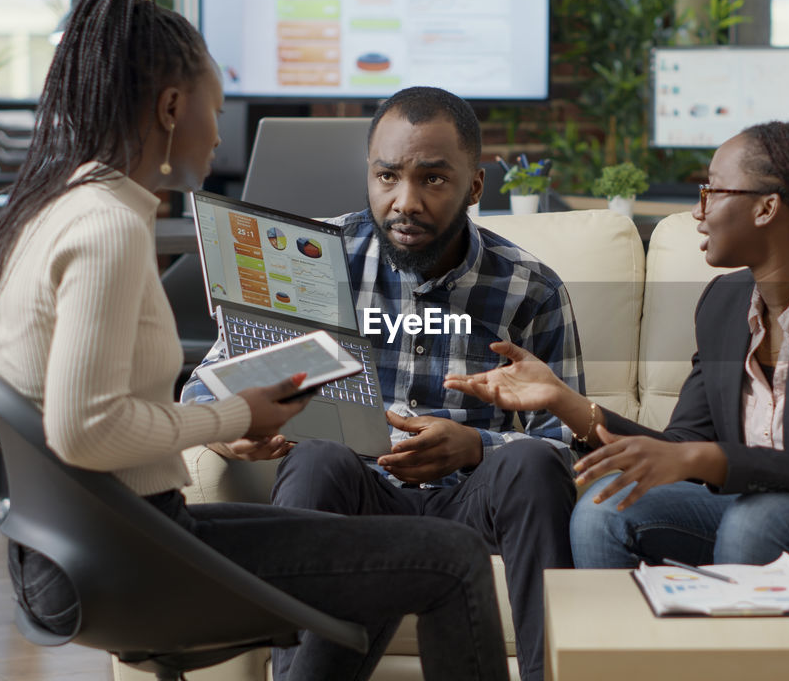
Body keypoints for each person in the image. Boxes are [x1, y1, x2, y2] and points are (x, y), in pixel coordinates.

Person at [0, 0, 509, 681]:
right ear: (173, 106)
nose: (218, 134)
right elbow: (83, 429)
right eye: (216, 108)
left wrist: (229, 418)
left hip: (91, 545)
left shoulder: (56, 204)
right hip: (122, 558)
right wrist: (232, 413)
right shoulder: (107, 225)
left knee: (375, 551)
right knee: (451, 559)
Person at [444, 120, 789, 638]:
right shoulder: (723, 305)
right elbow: (677, 448)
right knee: (605, 507)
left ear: (767, 208)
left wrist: (705, 461)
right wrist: (567, 403)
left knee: (759, 518)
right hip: (766, 517)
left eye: (712, 190)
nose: (699, 210)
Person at [182, 87, 584, 681]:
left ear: (475, 187)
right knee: (318, 459)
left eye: (433, 180)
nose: (406, 202)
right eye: (387, 176)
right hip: (360, 493)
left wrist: (476, 448)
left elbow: (571, 444)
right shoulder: (313, 260)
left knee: (529, 465)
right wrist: (229, 430)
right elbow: (206, 385)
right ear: (368, 176)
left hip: (475, 502)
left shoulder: (533, 289)